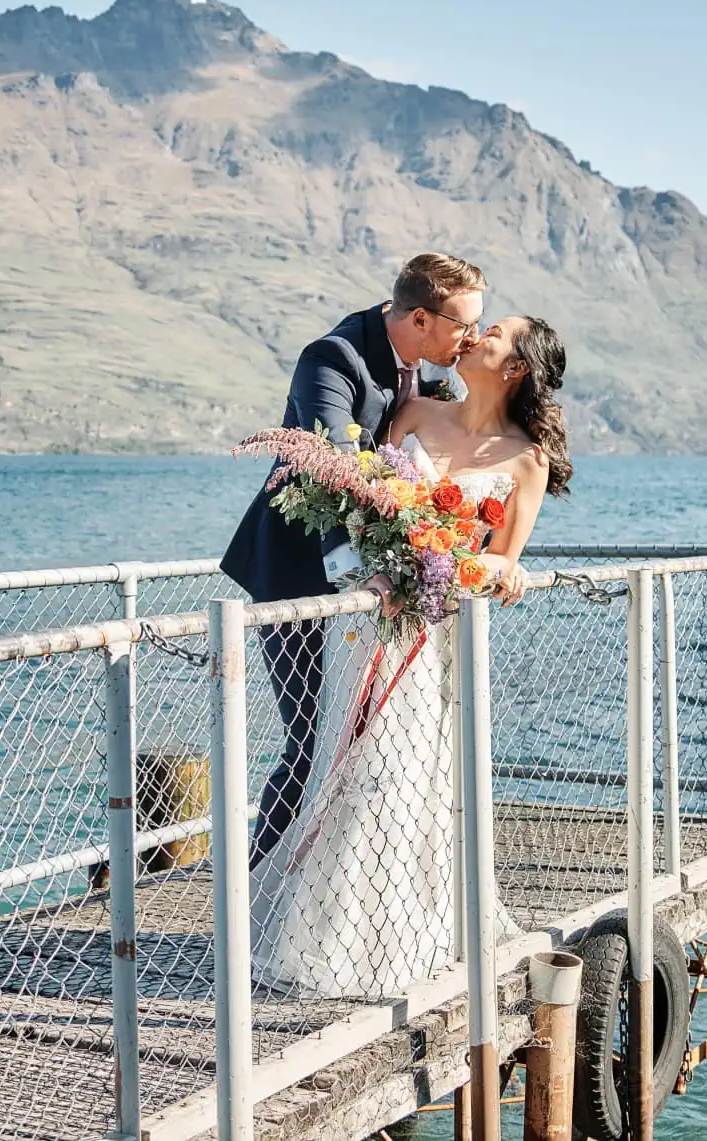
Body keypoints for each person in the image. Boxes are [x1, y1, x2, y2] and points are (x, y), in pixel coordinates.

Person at [249, 315, 573, 997]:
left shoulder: (526, 461)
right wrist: (390, 553)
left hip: (435, 638)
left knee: (404, 778)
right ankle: (321, 936)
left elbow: (500, 564)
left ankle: (396, 942)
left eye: (497, 333)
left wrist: (489, 571)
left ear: (515, 367)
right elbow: (366, 500)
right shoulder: (416, 410)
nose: (479, 333)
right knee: (344, 761)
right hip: (368, 628)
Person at [221, 252, 490, 870]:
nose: (471, 337)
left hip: (380, 584)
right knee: (310, 740)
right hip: (299, 578)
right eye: (463, 324)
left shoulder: (419, 367)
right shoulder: (333, 359)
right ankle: (257, 889)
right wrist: (360, 578)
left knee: (364, 740)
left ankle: (340, 878)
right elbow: (334, 471)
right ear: (421, 318)